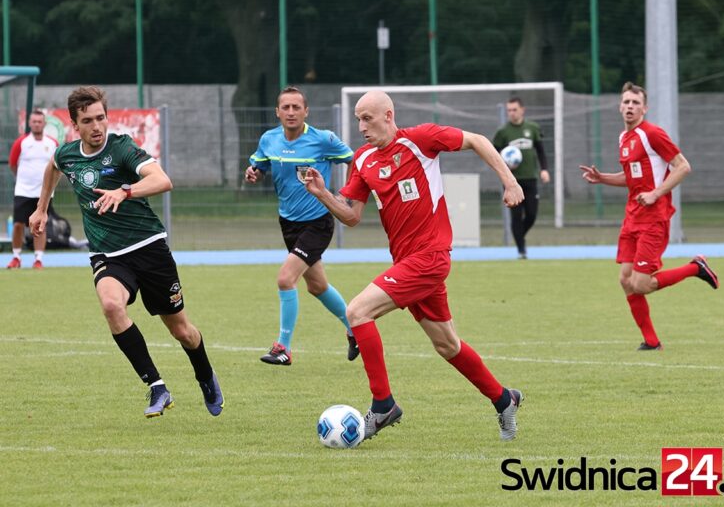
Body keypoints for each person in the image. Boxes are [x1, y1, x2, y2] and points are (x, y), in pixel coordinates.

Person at [304, 90, 526, 441]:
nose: (361, 126)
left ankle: (383, 405)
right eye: (358, 119)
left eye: (367, 118)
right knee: (447, 345)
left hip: (431, 257)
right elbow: (351, 217)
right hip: (408, 262)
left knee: (357, 312)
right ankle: (504, 399)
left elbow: (478, 140)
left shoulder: (420, 140)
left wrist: (510, 181)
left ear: (388, 115)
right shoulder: (362, 160)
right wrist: (322, 194)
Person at [29, 86, 224, 417]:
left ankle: (205, 375)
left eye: (101, 118)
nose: (97, 126)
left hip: (149, 249)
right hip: (108, 255)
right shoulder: (68, 154)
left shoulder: (121, 149)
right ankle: (157, 387)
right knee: (110, 305)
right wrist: (41, 209)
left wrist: (125, 191)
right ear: (75, 125)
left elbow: (163, 180)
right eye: (88, 121)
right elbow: (52, 167)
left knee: (182, 331)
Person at [579, 82, 719, 351]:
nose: (630, 106)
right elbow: (631, 178)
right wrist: (602, 178)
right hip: (632, 216)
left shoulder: (652, 134)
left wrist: (656, 193)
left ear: (645, 108)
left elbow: (683, 167)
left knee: (641, 284)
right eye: (626, 102)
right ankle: (652, 342)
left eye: (635, 102)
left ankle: (695, 267)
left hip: (653, 217)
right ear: (620, 106)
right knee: (625, 280)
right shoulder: (624, 138)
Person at [244, 86, 358, 366]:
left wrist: (346, 194)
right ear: (277, 112)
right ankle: (357, 328)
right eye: (286, 107)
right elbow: (259, 164)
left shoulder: (323, 139)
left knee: (285, 278)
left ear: (306, 111)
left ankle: (283, 347)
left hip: (318, 222)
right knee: (317, 286)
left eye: (297, 107)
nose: (291, 112)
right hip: (288, 223)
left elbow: (357, 162)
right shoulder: (269, 139)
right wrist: (253, 172)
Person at [492, 97, 550, 259]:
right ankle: (521, 250)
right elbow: (492, 153)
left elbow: (540, 151)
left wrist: (544, 169)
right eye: (509, 110)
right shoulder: (503, 132)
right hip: (511, 181)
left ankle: (519, 236)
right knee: (516, 216)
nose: (511, 113)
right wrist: (504, 164)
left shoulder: (532, 128)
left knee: (532, 214)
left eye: (514, 109)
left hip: (530, 178)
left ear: (522, 110)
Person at [6, 109, 58, 269]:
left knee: (40, 225)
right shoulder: (21, 142)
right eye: (34, 121)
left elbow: (57, 167)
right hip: (23, 191)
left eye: (39, 121)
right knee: (18, 225)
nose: (36, 124)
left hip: (44, 193)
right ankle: (16, 257)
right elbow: (13, 165)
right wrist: (24, 180)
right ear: (29, 123)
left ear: (44, 123)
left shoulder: (52, 143)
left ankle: (38, 259)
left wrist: (48, 187)